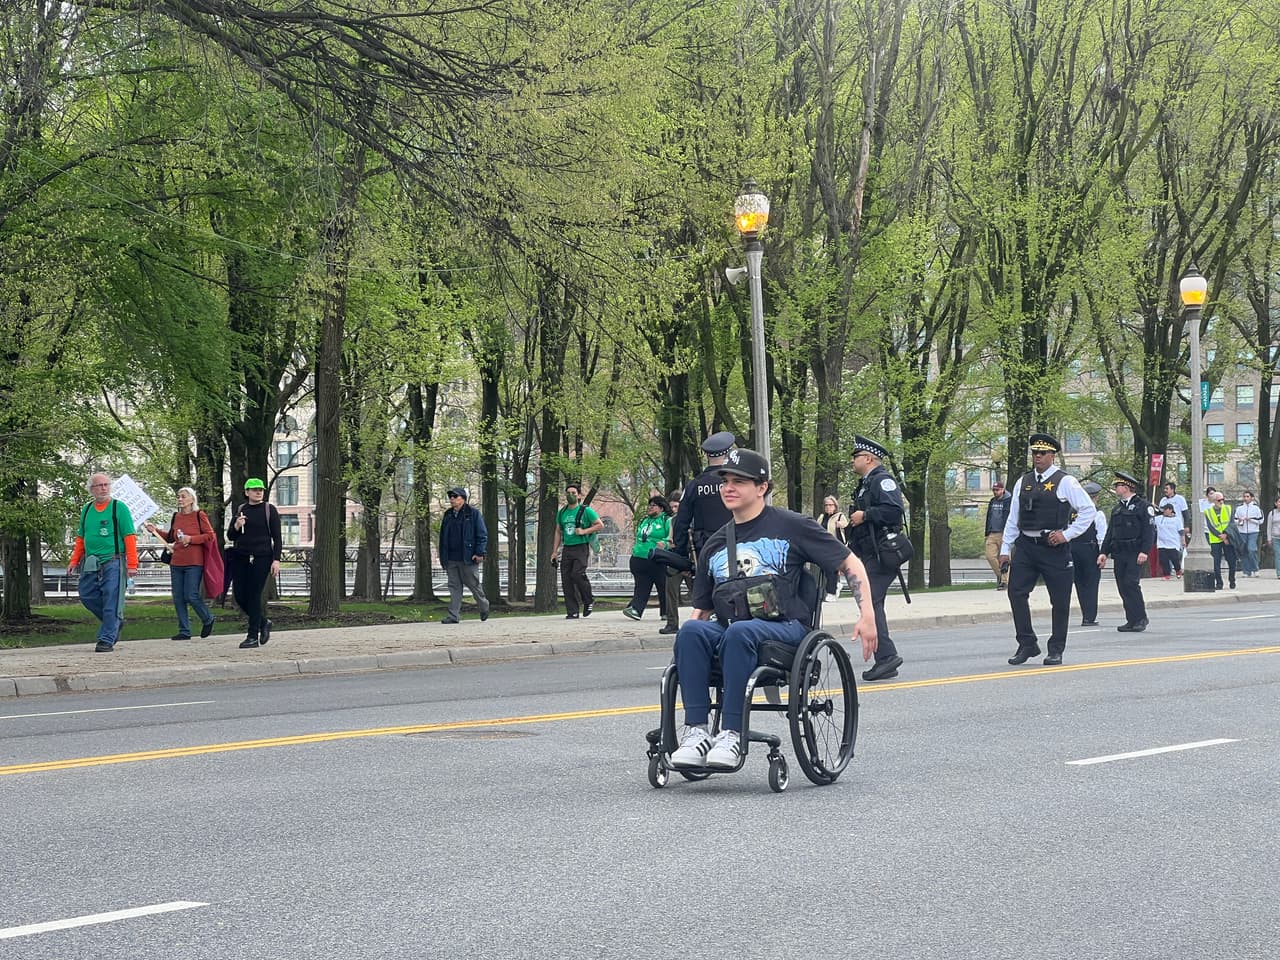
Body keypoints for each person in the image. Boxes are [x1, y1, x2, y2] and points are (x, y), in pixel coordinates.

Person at [668, 449, 878, 769]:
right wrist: (687, 646)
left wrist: (867, 616)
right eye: (725, 481)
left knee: (740, 631)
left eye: (740, 481)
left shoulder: (793, 526)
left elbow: (849, 562)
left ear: (762, 487)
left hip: (786, 629)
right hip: (735, 629)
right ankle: (696, 733)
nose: (729, 487)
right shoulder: (714, 544)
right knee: (692, 631)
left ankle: (732, 733)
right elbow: (702, 609)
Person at [999, 434, 1096, 666]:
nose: (1038, 457)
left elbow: (1088, 510)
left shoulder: (1066, 481)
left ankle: (1056, 648)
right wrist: (1005, 547)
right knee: (1016, 593)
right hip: (1026, 546)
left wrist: (1066, 534)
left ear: (1053, 455)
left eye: (1043, 453)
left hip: (1053, 548)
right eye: (1035, 453)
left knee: (1060, 600)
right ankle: (1027, 643)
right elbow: (1014, 517)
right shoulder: (1023, 481)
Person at [846, 435, 907, 681]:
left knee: (870, 601)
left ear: (869, 458)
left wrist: (866, 514)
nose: (853, 460)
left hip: (884, 551)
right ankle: (886, 658)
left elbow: (894, 510)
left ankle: (887, 657)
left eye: (856, 456)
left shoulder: (882, 481)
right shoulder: (866, 483)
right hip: (869, 551)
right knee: (871, 602)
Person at [67, 473, 139, 653]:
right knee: (87, 594)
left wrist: (132, 564)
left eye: (106, 484)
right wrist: (74, 560)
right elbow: (81, 538)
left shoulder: (118, 508)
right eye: (99, 485)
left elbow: (129, 537)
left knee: (111, 599)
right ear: (91, 489)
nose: (104, 488)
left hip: (114, 560)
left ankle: (106, 639)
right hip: (91, 562)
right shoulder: (87, 509)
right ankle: (114, 621)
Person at [144, 487, 216, 641]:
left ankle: (208, 618)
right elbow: (170, 537)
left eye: (183, 496)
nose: (180, 499)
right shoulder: (176, 516)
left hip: (194, 562)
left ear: (192, 499)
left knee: (191, 594)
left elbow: (210, 536)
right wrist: (154, 530)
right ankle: (184, 630)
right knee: (178, 597)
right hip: (176, 561)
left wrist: (191, 539)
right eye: (178, 496)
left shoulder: (199, 515)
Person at [226, 478, 282, 648]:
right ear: (246, 492)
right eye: (254, 489)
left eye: (261, 490)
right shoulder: (241, 510)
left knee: (254, 595)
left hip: (262, 557)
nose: (258, 492)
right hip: (242, 557)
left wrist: (276, 560)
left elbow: (277, 538)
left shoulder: (268, 509)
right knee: (240, 596)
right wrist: (236, 525)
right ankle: (263, 622)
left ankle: (252, 636)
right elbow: (231, 536)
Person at [1098, 471, 1156, 632]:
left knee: (1131, 584)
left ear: (1127, 487)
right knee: (1122, 586)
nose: (1116, 488)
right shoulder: (1117, 508)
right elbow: (1111, 532)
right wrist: (1103, 552)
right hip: (1120, 553)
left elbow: (1149, 531)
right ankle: (1131, 619)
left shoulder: (1143, 506)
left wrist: (1145, 551)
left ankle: (1140, 618)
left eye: (1118, 486)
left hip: (1135, 552)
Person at [672, 431, 736, 562]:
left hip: (705, 549)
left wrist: (681, 555)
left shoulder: (694, 485)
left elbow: (681, 523)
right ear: (728, 454)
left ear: (707, 455)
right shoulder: (737, 482)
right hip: (736, 546)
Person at [551, 482, 603, 619]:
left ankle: (588, 599)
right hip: (567, 548)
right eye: (568, 493)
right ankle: (572, 611)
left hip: (581, 546)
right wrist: (554, 551)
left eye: (573, 493)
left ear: (579, 495)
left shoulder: (585, 511)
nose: (570, 495)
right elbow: (558, 531)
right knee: (566, 579)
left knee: (577, 574)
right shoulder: (562, 512)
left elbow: (599, 525)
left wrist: (584, 531)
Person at [438, 487, 490, 624]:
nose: (452, 499)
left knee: (474, 585)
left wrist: (479, 552)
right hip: (451, 558)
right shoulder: (448, 514)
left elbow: (482, 535)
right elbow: (443, 537)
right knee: (454, 587)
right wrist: (443, 556)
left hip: (468, 557)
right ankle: (453, 616)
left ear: (463, 498)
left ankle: (484, 605)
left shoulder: (473, 513)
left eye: (455, 496)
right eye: (451, 497)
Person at [624, 495, 672, 621]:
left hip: (657, 558)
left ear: (661, 508)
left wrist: (665, 543)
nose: (649, 508)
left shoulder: (666, 520)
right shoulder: (644, 520)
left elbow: (671, 538)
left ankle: (666, 612)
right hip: (639, 558)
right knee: (641, 585)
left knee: (662, 585)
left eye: (653, 505)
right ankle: (636, 610)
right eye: (649, 505)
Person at [1070, 481, 1107, 626]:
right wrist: (1103, 553)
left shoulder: (1072, 513)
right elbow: (1102, 535)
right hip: (1090, 550)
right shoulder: (1097, 513)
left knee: (1079, 582)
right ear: (1095, 497)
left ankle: (1086, 613)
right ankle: (1089, 616)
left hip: (1073, 549)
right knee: (1091, 584)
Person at [1203, 490, 1237, 589]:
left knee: (1232, 560)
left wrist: (1226, 535)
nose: (1221, 502)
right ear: (1214, 501)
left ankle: (1232, 580)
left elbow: (1231, 523)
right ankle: (1219, 583)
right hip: (1215, 540)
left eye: (1222, 499)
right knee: (1216, 562)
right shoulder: (1208, 512)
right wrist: (1220, 535)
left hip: (1228, 538)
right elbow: (1210, 526)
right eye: (1219, 500)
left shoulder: (1229, 509)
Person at [817, 495, 849, 598]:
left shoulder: (840, 516)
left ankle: (831, 592)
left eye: (830, 505)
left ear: (835, 506)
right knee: (827, 569)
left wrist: (841, 525)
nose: (828, 507)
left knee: (832, 569)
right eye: (826, 505)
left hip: (836, 547)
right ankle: (836, 585)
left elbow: (847, 527)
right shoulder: (822, 517)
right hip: (823, 547)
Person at [661, 490, 683, 635]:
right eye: (672, 507)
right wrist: (666, 544)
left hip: (692, 557)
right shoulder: (673, 520)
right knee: (670, 590)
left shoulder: (696, 517)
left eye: (677, 506)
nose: (674, 510)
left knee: (699, 591)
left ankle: (705, 620)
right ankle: (672, 623)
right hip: (676, 557)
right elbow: (670, 539)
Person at [984, 480, 1013, 589]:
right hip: (992, 533)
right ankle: (1002, 576)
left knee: (1004, 558)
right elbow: (989, 517)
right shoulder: (992, 501)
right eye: (994, 490)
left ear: (1003, 490)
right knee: (990, 556)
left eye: (997, 490)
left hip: (1004, 533)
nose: (995, 492)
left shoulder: (1009, 501)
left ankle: (1005, 582)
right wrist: (986, 532)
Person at [1233, 490, 1262, 577]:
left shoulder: (1256, 508)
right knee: (1243, 551)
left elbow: (1261, 520)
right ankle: (1246, 571)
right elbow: (1234, 520)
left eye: (1247, 496)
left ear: (1251, 497)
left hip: (1253, 531)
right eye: (1244, 496)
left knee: (1251, 549)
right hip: (1242, 531)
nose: (1245, 498)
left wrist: (1250, 519)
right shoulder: (1239, 508)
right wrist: (1240, 521)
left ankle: (1255, 568)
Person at [1153, 502, 1185, 579]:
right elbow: (1151, 520)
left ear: (1171, 510)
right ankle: (1166, 574)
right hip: (1162, 543)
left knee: (1174, 559)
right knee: (1163, 560)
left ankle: (1178, 570)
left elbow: (1181, 531)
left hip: (1173, 543)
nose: (1164, 511)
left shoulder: (1177, 520)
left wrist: (1183, 540)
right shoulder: (1159, 519)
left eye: (1166, 509)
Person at [1265, 495, 1280, 579]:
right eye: (1279, 502)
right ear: (1276, 503)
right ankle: (1279, 573)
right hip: (1275, 537)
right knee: (1278, 555)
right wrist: (1269, 538)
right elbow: (1269, 527)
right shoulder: (1272, 513)